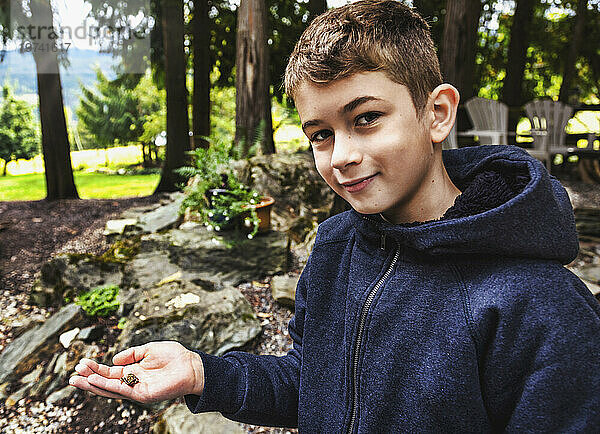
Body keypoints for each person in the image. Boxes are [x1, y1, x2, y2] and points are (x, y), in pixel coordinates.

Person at [70, 0, 600, 431]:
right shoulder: (336, 249)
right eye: (320, 134)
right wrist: (202, 373)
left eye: (366, 118)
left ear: (436, 113)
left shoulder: (542, 305)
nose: (341, 154)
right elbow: (316, 383)